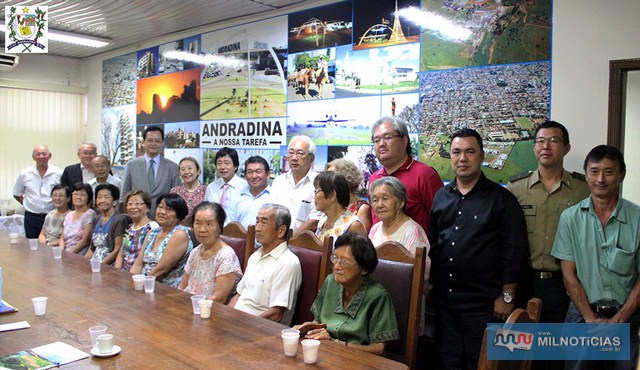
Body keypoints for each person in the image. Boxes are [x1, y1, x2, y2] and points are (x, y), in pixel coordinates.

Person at [428, 128, 527, 370]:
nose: (462, 158)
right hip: (445, 302)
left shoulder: (501, 199)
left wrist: (507, 297)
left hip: (484, 305)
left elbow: (514, 252)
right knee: (449, 362)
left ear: (482, 156)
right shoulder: (441, 196)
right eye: (456, 152)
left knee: (481, 364)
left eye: (470, 152)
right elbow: (433, 242)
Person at [552, 145, 640, 370]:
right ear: (586, 173)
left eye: (609, 172)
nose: (600, 179)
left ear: (621, 175)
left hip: (626, 317)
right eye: (594, 171)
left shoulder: (637, 218)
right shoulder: (570, 218)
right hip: (582, 319)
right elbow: (568, 275)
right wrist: (590, 319)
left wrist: (619, 320)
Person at [507, 121, 590, 331]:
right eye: (540, 141)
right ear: (534, 147)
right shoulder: (516, 187)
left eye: (554, 141)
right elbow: (507, 238)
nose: (546, 146)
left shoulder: (583, 190)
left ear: (566, 148)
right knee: (521, 351)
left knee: (555, 351)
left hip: (564, 284)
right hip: (525, 281)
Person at [294, 233, 399, 355]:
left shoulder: (378, 296)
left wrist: (337, 343)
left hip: (357, 361)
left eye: (345, 261)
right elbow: (319, 323)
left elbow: (378, 348)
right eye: (336, 258)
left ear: (364, 269)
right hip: (326, 353)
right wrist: (309, 326)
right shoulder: (330, 281)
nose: (337, 266)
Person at [229, 204, 302, 325]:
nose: (257, 228)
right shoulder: (255, 256)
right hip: (237, 323)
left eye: (264, 223)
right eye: (257, 222)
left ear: (281, 231)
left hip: (260, 330)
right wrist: (226, 317)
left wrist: (243, 326)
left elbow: (276, 314)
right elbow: (239, 295)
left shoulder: (288, 263)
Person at [369, 116, 443, 234]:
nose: (381, 144)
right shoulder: (374, 179)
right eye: (376, 140)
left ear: (404, 141)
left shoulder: (425, 175)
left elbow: (441, 223)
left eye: (387, 137)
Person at [179, 202, 242, 303]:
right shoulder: (196, 251)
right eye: (198, 223)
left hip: (208, 310)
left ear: (220, 226)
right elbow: (182, 287)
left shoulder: (227, 256)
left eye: (209, 224)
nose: (202, 229)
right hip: (187, 305)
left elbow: (219, 299)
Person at [131, 193, 193, 288]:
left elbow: (162, 269)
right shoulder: (152, 232)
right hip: (146, 284)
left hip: (166, 289)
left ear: (179, 215)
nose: (162, 212)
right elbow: (138, 263)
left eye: (169, 209)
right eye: (160, 207)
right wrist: (132, 282)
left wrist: (142, 285)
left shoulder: (180, 234)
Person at [120, 126, 181, 217]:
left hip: (163, 220)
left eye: (157, 141)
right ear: (143, 142)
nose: (153, 144)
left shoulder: (172, 167)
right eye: (150, 140)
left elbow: (176, 198)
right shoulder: (131, 165)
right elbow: (124, 196)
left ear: (162, 143)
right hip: (136, 219)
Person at [271, 135, 323, 236]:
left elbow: (315, 221)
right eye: (291, 153)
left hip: (304, 245)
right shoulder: (279, 181)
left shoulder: (319, 183)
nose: (294, 158)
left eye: (300, 153)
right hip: (277, 240)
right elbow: (271, 213)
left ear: (311, 158)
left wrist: (289, 239)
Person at [369, 177, 430, 262]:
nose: (379, 205)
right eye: (375, 200)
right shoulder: (374, 229)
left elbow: (417, 272)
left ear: (401, 202)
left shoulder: (412, 232)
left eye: (385, 198)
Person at [13, 145, 62, 238]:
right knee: (32, 245)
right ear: (33, 157)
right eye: (38, 154)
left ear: (50, 156)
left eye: (44, 154)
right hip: (31, 217)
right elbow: (17, 193)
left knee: (51, 245)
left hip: (53, 216)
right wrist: (28, 204)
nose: (41, 157)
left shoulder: (58, 173)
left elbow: (63, 194)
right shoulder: (25, 173)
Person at [314, 171, 366, 244]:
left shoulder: (353, 225)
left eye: (317, 191)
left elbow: (360, 254)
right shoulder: (322, 222)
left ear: (332, 195)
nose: (314, 196)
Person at [115, 189, 158, 271]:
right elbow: (121, 255)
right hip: (123, 272)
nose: (133, 207)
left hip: (139, 273)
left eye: (137, 204)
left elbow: (146, 259)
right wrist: (116, 272)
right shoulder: (129, 228)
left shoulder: (152, 227)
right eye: (130, 204)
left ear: (147, 208)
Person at [86, 184, 129, 265]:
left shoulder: (119, 219)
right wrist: (83, 263)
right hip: (94, 263)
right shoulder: (96, 219)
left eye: (106, 197)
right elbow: (92, 249)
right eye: (99, 197)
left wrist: (101, 264)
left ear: (115, 201)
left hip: (109, 264)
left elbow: (117, 249)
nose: (102, 200)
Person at [326, 158, 372, 233]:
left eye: (330, 177)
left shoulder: (362, 208)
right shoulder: (332, 204)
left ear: (345, 178)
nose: (326, 182)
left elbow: (360, 241)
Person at [228, 156, 273, 229]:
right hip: (240, 240)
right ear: (245, 175)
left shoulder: (275, 197)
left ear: (267, 174)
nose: (254, 176)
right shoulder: (237, 198)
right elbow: (231, 227)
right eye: (250, 172)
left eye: (258, 171)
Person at [204, 147, 248, 221]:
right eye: (219, 163)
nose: (222, 167)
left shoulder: (245, 187)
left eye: (227, 163)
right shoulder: (211, 188)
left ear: (235, 166)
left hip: (238, 231)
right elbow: (206, 211)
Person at [60, 183, 96, 255]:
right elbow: (62, 238)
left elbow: (85, 241)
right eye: (75, 194)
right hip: (65, 252)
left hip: (79, 254)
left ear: (88, 198)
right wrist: (61, 251)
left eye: (82, 195)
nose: (78, 197)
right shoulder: (69, 215)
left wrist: (68, 254)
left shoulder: (90, 214)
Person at [170, 157, 206, 226]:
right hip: (179, 231)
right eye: (183, 169)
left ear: (198, 171)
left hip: (201, 229)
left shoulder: (206, 190)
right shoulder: (175, 191)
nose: (186, 172)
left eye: (190, 168)